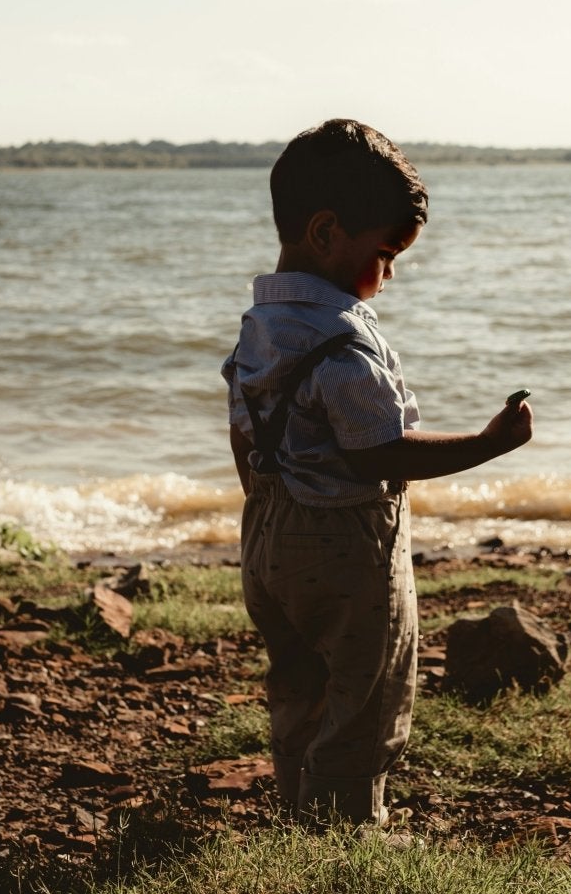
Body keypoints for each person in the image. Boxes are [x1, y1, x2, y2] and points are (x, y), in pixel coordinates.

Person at [223, 117, 534, 827]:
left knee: (298, 679)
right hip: (346, 543)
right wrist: (489, 443)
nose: (387, 277)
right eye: (386, 255)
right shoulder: (344, 343)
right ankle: (345, 831)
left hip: (267, 533)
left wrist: (267, 504)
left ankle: (297, 810)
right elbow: (379, 452)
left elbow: (241, 430)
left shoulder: (259, 326)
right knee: (368, 693)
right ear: (327, 233)